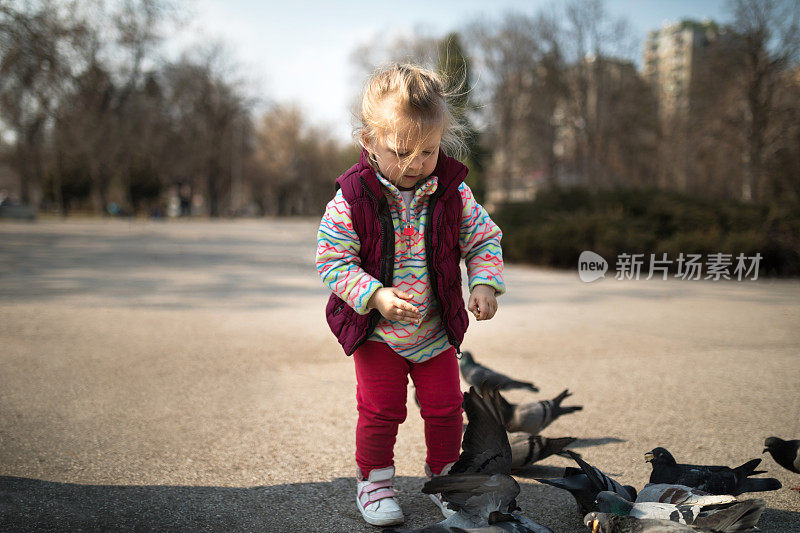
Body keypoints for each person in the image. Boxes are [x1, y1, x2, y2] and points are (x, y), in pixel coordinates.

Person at [315, 63, 505, 527]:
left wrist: (482, 281)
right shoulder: (352, 197)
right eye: (401, 151)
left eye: (429, 150)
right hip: (378, 334)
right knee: (381, 412)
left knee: (446, 410)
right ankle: (375, 481)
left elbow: (483, 239)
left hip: (435, 332)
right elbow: (332, 260)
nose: (416, 163)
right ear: (368, 140)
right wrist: (375, 296)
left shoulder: (453, 193)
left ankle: (446, 478)